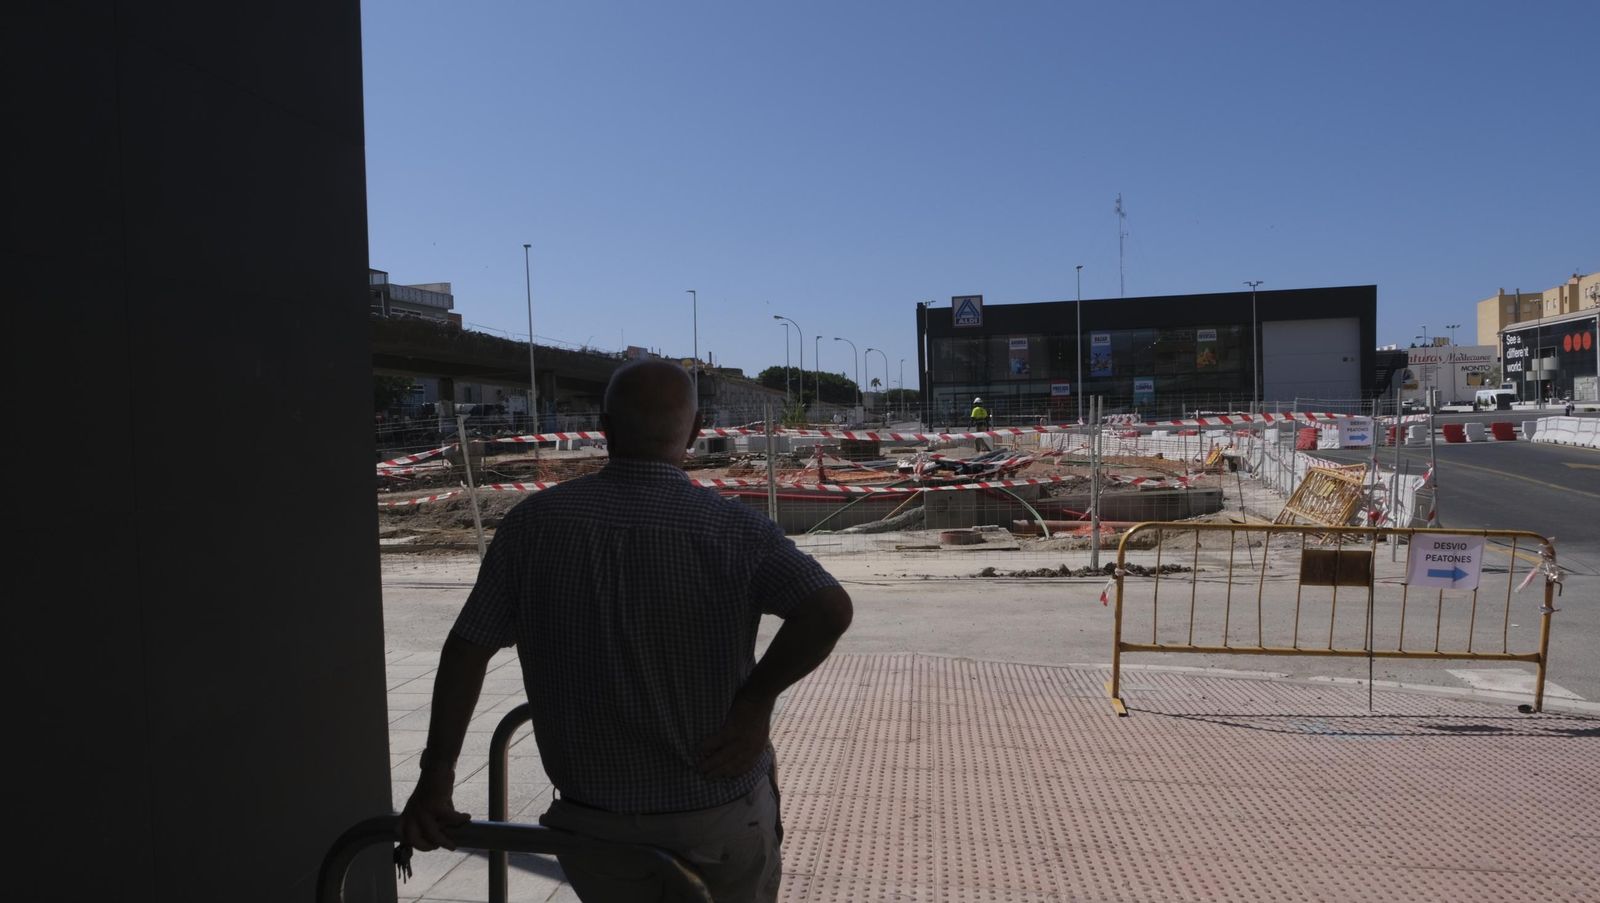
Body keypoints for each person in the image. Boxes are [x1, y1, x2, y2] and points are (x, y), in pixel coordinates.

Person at [399, 359, 853, 901]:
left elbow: (467, 649)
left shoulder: (532, 527)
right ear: (696, 430)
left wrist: (436, 776)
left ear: (605, 428)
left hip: (594, 830)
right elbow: (828, 609)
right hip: (714, 817)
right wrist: (755, 702)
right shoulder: (733, 528)